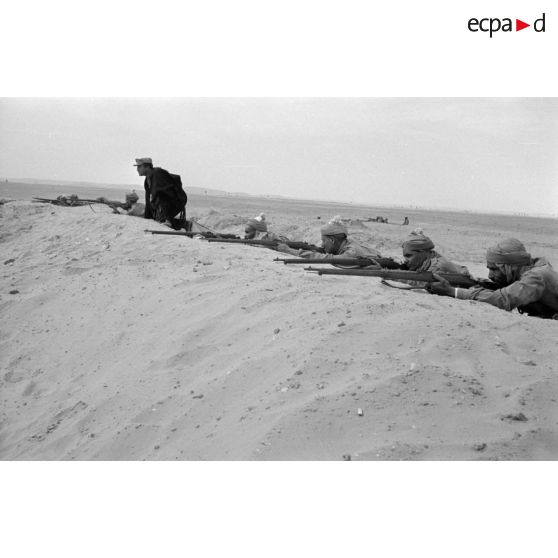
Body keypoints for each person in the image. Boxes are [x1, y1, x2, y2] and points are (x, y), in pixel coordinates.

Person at [429, 238, 558, 319]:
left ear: (509, 267)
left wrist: (453, 291)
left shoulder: (536, 276)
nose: (490, 275)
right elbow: (502, 289)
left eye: (494, 269)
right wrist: (472, 282)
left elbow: (503, 300)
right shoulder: (534, 270)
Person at [275, 215, 391, 265]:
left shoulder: (351, 252)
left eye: (324, 241)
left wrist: (290, 251)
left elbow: (326, 258)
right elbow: (321, 252)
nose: (322, 244)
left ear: (333, 241)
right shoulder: (346, 244)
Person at [400, 228, 473, 287]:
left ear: (422, 252)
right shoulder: (429, 256)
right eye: (405, 256)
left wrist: (397, 277)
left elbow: (423, 283)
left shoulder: (437, 266)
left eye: (409, 256)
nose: (405, 260)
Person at [133, 157, 187, 229]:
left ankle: (168, 221)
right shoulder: (147, 180)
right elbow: (148, 199)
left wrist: (167, 217)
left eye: (139, 167)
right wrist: (148, 218)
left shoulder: (157, 173)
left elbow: (165, 193)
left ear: (147, 167)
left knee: (160, 195)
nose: (137, 169)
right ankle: (164, 219)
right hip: (165, 203)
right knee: (155, 200)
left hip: (176, 200)